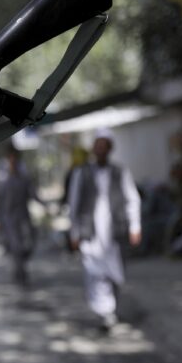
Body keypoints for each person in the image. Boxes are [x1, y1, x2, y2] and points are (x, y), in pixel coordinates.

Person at [67, 128, 141, 332]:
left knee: (115, 274)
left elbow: (132, 200)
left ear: (109, 149)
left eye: (104, 146)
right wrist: (74, 233)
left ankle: (111, 310)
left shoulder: (120, 172)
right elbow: (73, 204)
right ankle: (106, 313)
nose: (100, 150)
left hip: (114, 234)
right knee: (95, 274)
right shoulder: (81, 172)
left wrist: (135, 226)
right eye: (97, 146)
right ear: (93, 149)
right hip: (89, 233)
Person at [0, 145, 45, 286]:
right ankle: (20, 273)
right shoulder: (3, 180)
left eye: (14, 159)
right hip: (8, 219)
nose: (12, 161)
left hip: (24, 217)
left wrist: (45, 205)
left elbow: (34, 195)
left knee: (29, 244)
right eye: (10, 159)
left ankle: (21, 267)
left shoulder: (25, 178)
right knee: (16, 247)